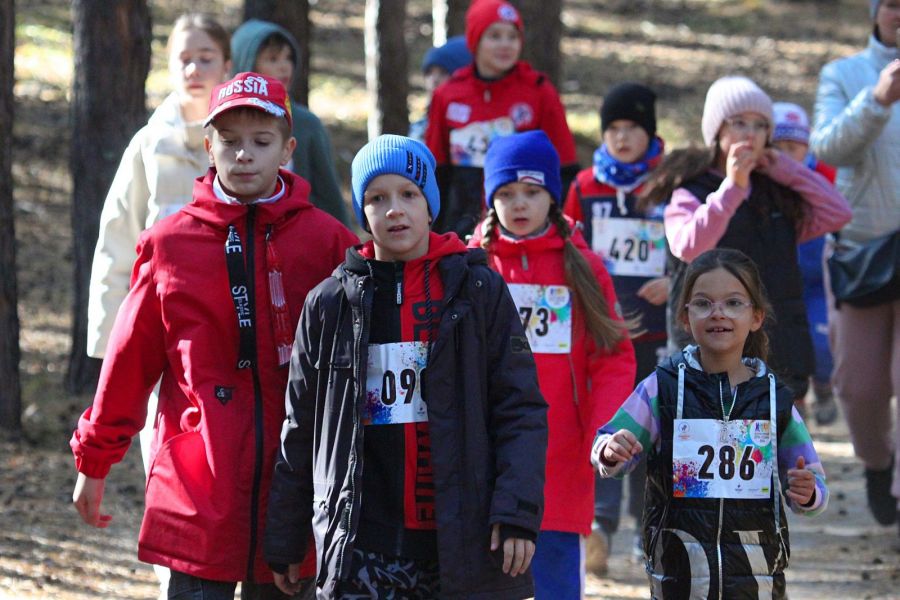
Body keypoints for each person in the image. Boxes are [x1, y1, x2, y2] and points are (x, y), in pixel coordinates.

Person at [71, 72, 359, 599]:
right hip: (196, 488)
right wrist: (95, 459)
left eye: (261, 141)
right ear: (208, 146)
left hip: (293, 491)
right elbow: (129, 363)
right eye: (229, 141)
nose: (243, 155)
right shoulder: (168, 244)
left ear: (288, 150)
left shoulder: (327, 242)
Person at [263, 134, 548, 599]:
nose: (394, 209)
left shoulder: (479, 292)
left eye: (408, 194)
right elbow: (300, 426)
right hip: (362, 546)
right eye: (377, 198)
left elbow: (520, 409)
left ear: (430, 204)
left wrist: (516, 512)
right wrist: (286, 536)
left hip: (463, 542)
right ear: (361, 210)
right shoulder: (328, 304)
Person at [84, 13, 232, 596]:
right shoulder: (149, 142)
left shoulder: (253, 141)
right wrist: (107, 345)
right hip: (163, 329)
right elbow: (116, 241)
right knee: (167, 444)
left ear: (226, 65)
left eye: (206, 58)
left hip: (231, 330)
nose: (194, 69)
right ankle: (179, 556)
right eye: (183, 59)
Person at [593, 248, 829, 599]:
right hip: (679, 570)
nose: (718, 313)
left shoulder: (774, 398)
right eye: (703, 303)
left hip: (756, 572)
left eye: (734, 303)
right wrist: (611, 451)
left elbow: (812, 482)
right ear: (685, 318)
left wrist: (809, 493)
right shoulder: (663, 387)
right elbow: (610, 444)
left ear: (757, 317)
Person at [471, 130, 635, 598]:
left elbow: (613, 358)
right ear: (490, 200)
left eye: (532, 191)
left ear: (553, 196)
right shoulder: (473, 267)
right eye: (505, 193)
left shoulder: (582, 267)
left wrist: (604, 428)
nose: (519, 204)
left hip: (561, 461)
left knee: (556, 583)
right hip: (488, 461)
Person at [641, 75, 852, 407]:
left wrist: (786, 168)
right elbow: (689, 246)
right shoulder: (690, 189)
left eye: (760, 125)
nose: (750, 134)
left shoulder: (777, 190)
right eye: (739, 123)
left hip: (780, 346)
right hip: (708, 353)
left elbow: (837, 212)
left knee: (785, 454)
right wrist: (732, 189)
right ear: (717, 130)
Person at [562, 82, 667, 574]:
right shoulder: (585, 186)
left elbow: (691, 246)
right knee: (611, 424)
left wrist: (674, 279)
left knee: (657, 433)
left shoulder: (671, 183)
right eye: (613, 129)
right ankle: (600, 527)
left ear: (650, 133)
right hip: (605, 332)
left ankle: (650, 531)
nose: (622, 139)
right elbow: (568, 248)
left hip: (657, 331)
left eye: (633, 129)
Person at [810, 0, 900, 529]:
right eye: (891, 3)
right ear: (875, 13)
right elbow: (828, 147)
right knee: (859, 387)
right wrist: (878, 100)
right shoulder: (843, 75)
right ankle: (876, 462)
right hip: (863, 254)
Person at [425, 0, 578, 239]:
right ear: (475, 41)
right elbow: (437, 170)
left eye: (512, 36)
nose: (505, 45)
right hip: (459, 225)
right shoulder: (448, 94)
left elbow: (564, 168)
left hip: (524, 225)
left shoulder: (539, 92)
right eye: (495, 36)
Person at [231, 18, 351, 226]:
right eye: (273, 58)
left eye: (288, 58)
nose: (284, 66)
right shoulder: (223, 121)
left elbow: (328, 194)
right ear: (246, 62)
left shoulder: (306, 124)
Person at [770, 101, 838, 425]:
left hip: (816, 281)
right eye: (777, 147)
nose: (785, 155)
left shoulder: (821, 177)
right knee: (780, 351)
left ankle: (824, 385)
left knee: (823, 346)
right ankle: (793, 407)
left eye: (793, 147)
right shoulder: (758, 179)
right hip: (774, 283)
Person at [409, 35, 472, 142]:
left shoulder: (476, 127)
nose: (434, 80)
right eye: (429, 73)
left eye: (443, 73)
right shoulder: (419, 128)